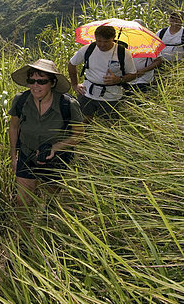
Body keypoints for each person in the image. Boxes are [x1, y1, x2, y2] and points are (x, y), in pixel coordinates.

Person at [8, 59, 84, 208]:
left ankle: (47, 226)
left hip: (57, 159)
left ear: (52, 83)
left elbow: (79, 135)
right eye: (32, 81)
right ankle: (23, 231)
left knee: (51, 202)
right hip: (27, 154)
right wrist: (14, 156)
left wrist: (55, 147)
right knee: (22, 203)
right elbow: (13, 127)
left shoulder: (67, 105)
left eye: (41, 81)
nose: (35, 86)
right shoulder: (21, 100)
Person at [68, 25, 137, 121]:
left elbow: (133, 74)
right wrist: (75, 85)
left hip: (112, 97)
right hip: (87, 93)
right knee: (83, 123)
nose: (102, 45)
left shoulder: (123, 53)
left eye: (106, 41)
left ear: (113, 38)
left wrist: (119, 79)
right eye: (99, 41)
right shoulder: (88, 49)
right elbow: (71, 64)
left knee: (108, 126)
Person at [127, 19, 162, 92]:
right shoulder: (126, 42)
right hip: (128, 80)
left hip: (143, 80)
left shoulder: (150, 43)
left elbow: (158, 61)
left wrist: (143, 70)